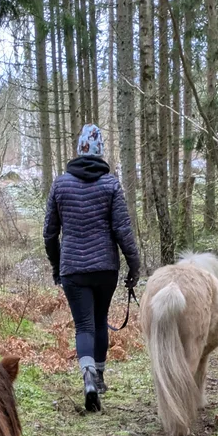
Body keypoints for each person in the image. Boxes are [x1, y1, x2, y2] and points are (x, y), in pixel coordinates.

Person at [43, 123, 140, 413]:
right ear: (100, 152)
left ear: (79, 150)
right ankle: (98, 378)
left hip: (73, 268)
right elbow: (123, 230)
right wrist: (134, 266)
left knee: (83, 325)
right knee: (99, 321)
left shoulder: (61, 184)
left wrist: (56, 265)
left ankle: (87, 376)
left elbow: (49, 233)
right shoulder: (110, 184)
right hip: (105, 268)